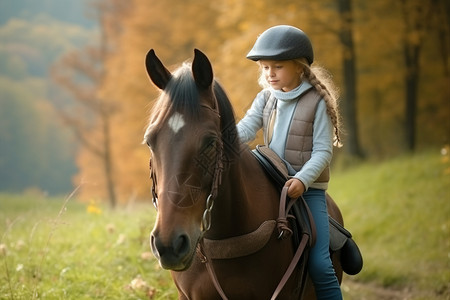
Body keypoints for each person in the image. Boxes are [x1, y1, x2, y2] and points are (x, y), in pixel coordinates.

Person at [236, 25, 343, 299]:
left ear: (299, 67)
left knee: (320, 264)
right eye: (265, 68)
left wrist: (302, 180)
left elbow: (322, 152)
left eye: (278, 66)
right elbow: (246, 129)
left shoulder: (316, 101)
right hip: (271, 179)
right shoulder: (266, 98)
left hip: (308, 192)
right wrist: (218, 140)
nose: (270, 73)